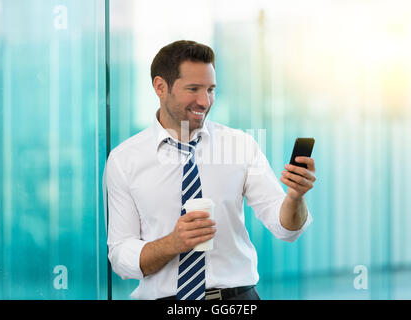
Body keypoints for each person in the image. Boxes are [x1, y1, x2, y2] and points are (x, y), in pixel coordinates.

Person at [105, 40, 316, 300]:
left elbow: (286, 229)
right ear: (160, 87)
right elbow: (120, 254)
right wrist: (173, 243)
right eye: (193, 89)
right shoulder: (124, 159)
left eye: (211, 90)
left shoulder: (240, 145)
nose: (204, 101)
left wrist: (295, 197)